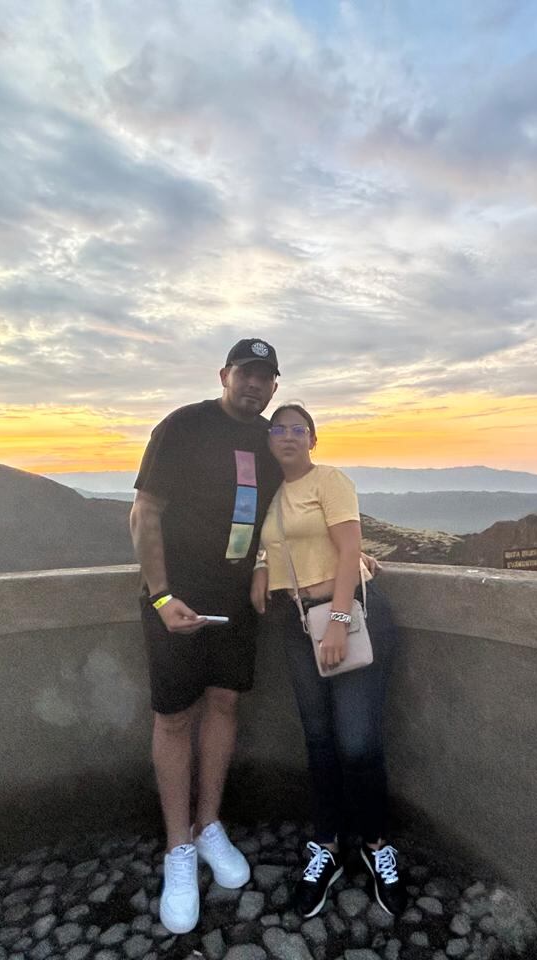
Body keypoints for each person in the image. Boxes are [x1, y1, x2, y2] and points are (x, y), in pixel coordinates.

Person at [130, 338, 284, 933]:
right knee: (173, 717)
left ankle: (209, 825)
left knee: (223, 705)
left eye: (265, 377)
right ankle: (178, 849)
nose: (254, 384)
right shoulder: (183, 427)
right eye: (245, 373)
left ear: (274, 385)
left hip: (236, 603)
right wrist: (163, 597)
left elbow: (285, 515)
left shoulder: (271, 442)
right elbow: (144, 512)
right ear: (224, 375)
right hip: (174, 600)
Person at [250, 402, 408, 919]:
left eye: (300, 429)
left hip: (349, 616)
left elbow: (349, 550)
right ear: (270, 440)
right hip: (297, 626)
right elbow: (269, 547)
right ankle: (329, 845)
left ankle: (377, 843)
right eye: (280, 429)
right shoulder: (269, 496)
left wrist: (338, 621)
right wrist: (258, 567)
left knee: (358, 741)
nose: (289, 436)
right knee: (318, 740)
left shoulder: (330, 481)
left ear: (313, 440)